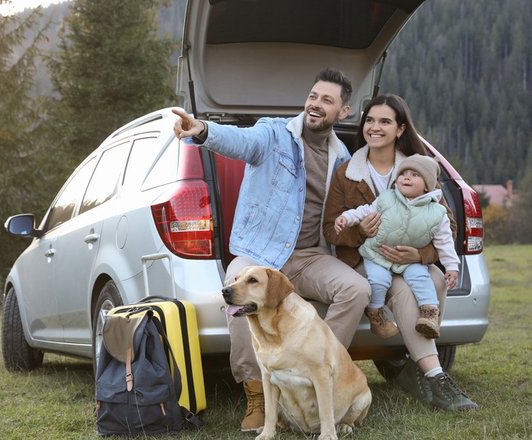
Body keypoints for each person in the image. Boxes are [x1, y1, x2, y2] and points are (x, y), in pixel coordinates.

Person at [173, 67, 372, 432]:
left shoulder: (342, 156)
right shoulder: (273, 133)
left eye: (327, 100)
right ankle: (258, 395)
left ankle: (320, 373)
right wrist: (202, 131)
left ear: (343, 112)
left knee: (357, 289)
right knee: (236, 284)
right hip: (263, 254)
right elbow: (240, 142)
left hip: (311, 255)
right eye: (313, 96)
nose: (315, 104)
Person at [323, 94, 478, 411]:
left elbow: (445, 224)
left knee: (433, 280)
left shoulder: (418, 169)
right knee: (403, 290)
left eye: (384, 121)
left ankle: (418, 365)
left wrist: (420, 255)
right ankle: (435, 376)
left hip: (410, 259)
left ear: (400, 128)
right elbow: (330, 228)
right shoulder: (347, 173)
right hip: (366, 258)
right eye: (369, 120)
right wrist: (359, 232)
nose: (374, 127)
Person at [334, 154, 459, 340]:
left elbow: (445, 241)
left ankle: (429, 315)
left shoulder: (437, 212)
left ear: (428, 185)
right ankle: (376, 315)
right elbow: (364, 211)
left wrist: (451, 266)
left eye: (415, 175)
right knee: (378, 280)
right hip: (378, 254)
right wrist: (347, 218)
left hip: (410, 259)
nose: (407, 177)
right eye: (404, 174)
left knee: (421, 279)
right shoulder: (386, 199)